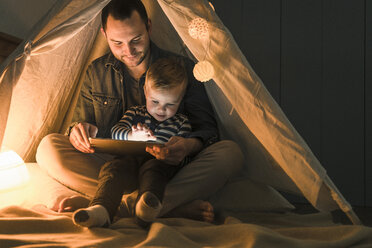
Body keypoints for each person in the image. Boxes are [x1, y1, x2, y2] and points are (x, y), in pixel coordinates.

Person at [36, 0, 243, 222]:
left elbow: (207, 131)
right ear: (104, 34)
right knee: (48, 148)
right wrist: (78, 132)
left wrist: (187, 146)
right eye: (117, 43)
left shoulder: (182, 68)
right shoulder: (97, 72)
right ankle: (159, 207)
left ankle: (110, 204)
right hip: (114, 167)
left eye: (136, 40)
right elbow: (79, 124)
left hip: (168, 170)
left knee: (231, 153)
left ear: (149, 27)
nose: (129, 51)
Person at [73, 57, 194, 228]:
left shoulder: (181, 123)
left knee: (153, 169)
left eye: (170, 104)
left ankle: (147, 206)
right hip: (128, 164)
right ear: (145, 92)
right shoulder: (135, 113)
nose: (161, 109)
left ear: (181, 99)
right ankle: (102, 209)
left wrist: (170, 154)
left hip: (158, 168)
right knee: (112, 168)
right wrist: (131, 136)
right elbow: (115, 132)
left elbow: (186, 157)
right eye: (155, 102)